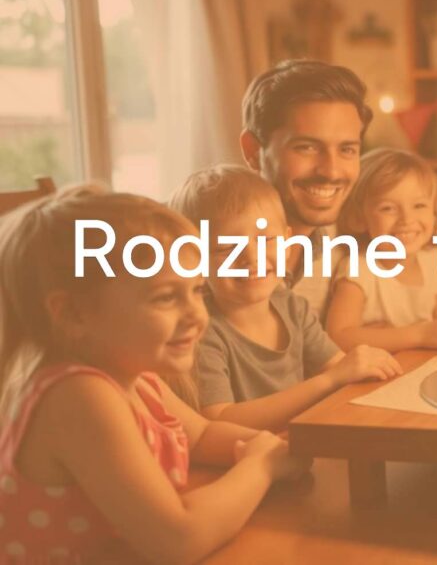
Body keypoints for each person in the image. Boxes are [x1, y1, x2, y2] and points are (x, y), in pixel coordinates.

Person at [0, 187, 308, 563]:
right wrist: (261, 465)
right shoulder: (78, 395)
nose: (198, 315)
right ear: (73, 314)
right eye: (165, 297)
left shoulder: (136, 377)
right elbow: (177, 540)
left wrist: (282, 445)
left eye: (196, 290)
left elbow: (203, 436)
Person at [168, 166, 401, 432]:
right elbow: (219, 419)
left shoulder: (291, 306)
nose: (252, 258)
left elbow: (341, 369)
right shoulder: (202, 330)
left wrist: (363, 367)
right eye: (226, 248)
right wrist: (330, 380)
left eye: (267, 240)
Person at [240, 59, 372, 317]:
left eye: (347, 149)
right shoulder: (204, 250)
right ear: (253, 151)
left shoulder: (344, 242)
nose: (331, 171)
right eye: (307, 147)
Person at [326, 149, 437, 352]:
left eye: (419, 205)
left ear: (435, 212)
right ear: (359, 218)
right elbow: (338, 337)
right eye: (388, 208)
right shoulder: (360, 270)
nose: (407, 219)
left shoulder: (433, 262)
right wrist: (421, 334)